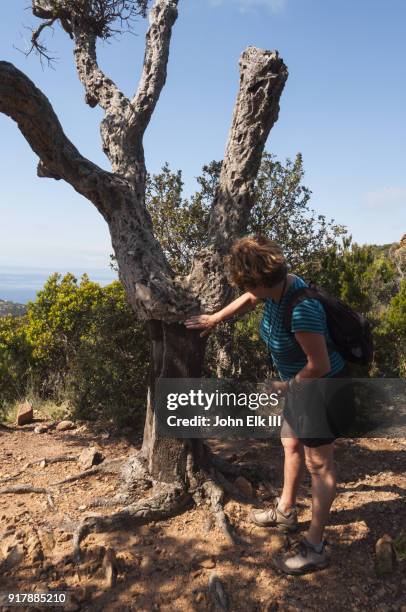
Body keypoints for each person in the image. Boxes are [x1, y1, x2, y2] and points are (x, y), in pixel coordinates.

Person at [185, 235, 354, 575]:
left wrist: (283, 386)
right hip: (300, 389)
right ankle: (286, 511)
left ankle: (316, 546)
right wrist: (216, 318)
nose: (245, 290)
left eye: (248, 284)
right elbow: (249, 299)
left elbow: (318, 365)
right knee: (290, 442)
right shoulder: (280, 288)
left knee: (320, 465)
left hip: (320, 389)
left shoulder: (302, 308)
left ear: (261, 281)